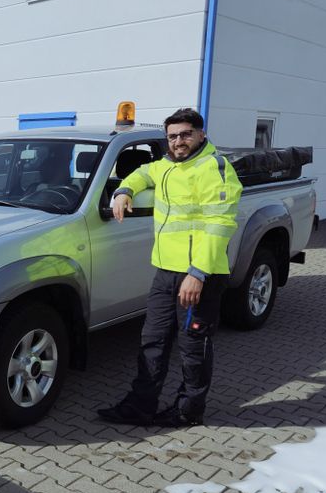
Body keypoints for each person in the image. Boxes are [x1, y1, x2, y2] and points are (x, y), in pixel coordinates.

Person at [97, 108, 243, 428]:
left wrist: (197, 274)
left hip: (199, 276)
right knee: (153, 341)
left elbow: (220, 224)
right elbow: (143, 173)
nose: (178, 141)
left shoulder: (213, 168)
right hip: (165, 272)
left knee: (193, 346)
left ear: (201, 134)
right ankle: (140, 406)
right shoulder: (166, 166)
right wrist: (124, 190)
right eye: (173, 136)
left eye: (186, 134)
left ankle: (188, 410)